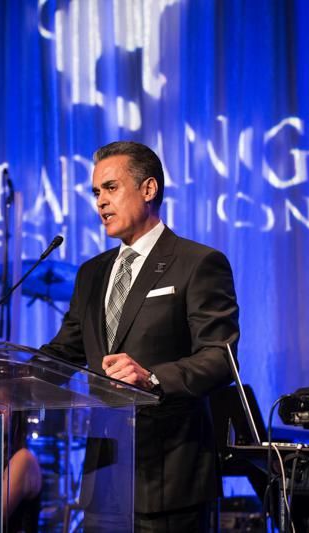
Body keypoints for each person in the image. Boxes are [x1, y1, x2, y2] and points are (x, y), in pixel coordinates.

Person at [41, 141, 239, 531]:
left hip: (169, 479)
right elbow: (63, 352)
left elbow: (220, 358)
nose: (100, 201)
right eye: (96, 192)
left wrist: (151, 378)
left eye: (111, 188)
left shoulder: (198, 263)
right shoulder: (92, 273)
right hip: (103, 480)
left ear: (148, 189)